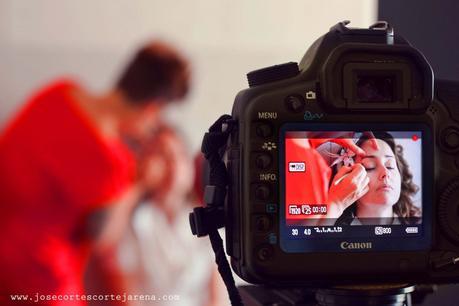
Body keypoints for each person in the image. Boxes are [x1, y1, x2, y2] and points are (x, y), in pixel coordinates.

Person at [0, 41, 190, 305]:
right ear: (152, 109)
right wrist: (138, 184)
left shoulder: (59, 91)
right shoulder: (110, 162)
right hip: (39, 285)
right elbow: (103, 238)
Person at [98, 125, 226, 306]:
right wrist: (139, 184)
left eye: (179, 155)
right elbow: (128, 299)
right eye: (163, 156)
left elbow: (217, 299)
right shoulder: (134, 223)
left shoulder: (208, 219)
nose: (173, 164)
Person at [329, 132, 421, 225]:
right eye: (370, 166)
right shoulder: (331, 229)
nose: (386, 173)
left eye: (390, 166)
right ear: (349, 177)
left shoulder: (419, 227)